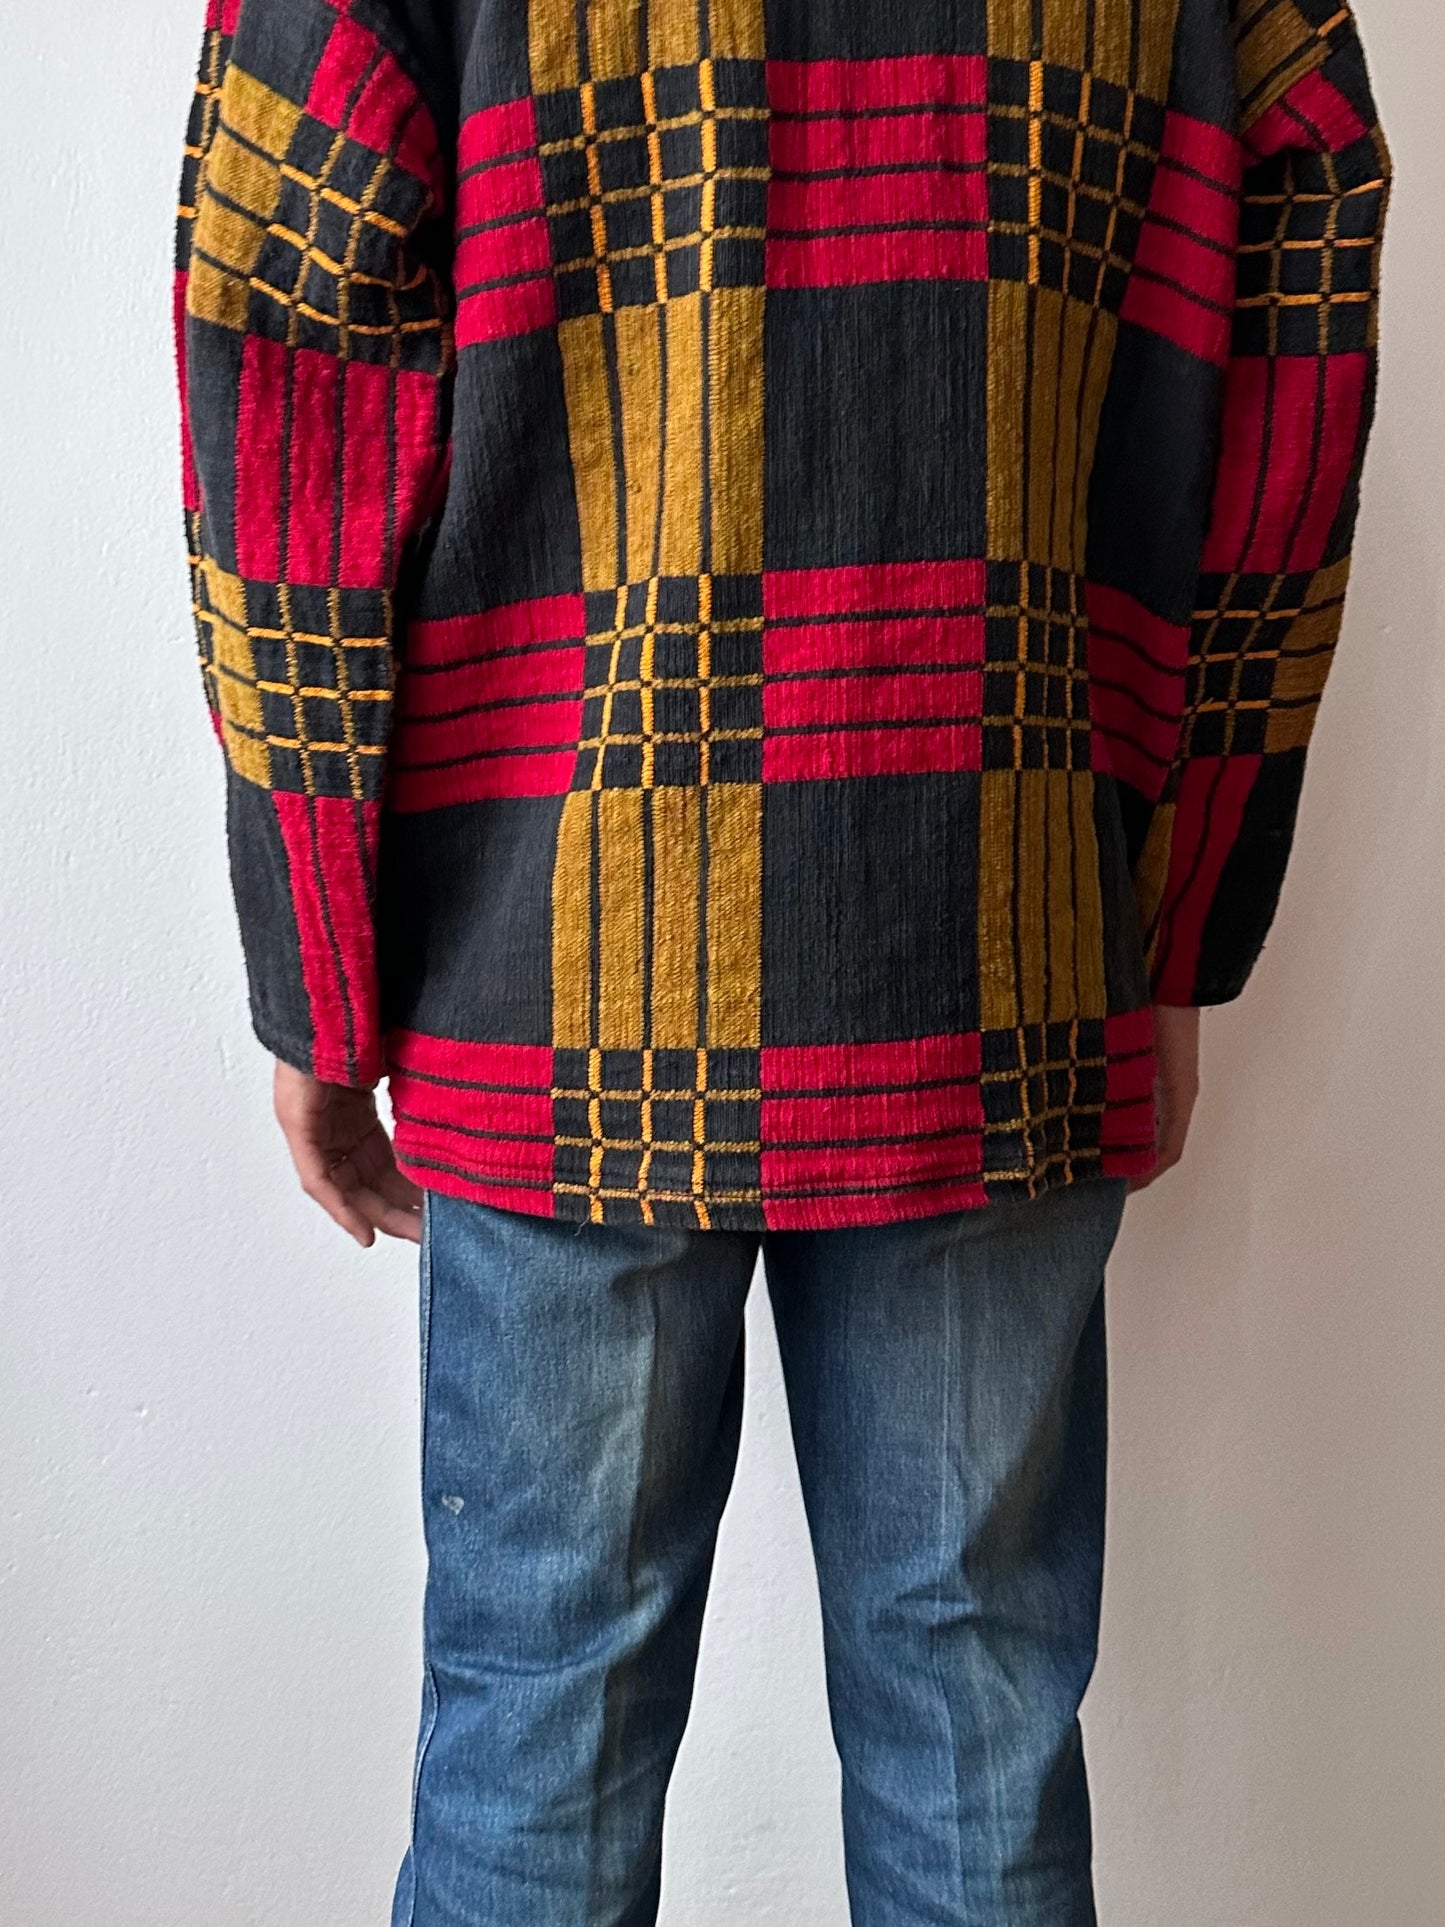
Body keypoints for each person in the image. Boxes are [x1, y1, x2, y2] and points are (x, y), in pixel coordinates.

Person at [175, 0, 1389, 1920]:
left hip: (555, 957)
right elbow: (1292, 325)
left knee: (537, 1717)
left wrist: (319, 956)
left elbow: (285, 356)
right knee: (971, 1720)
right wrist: (1173, 899)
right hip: (999, 928)